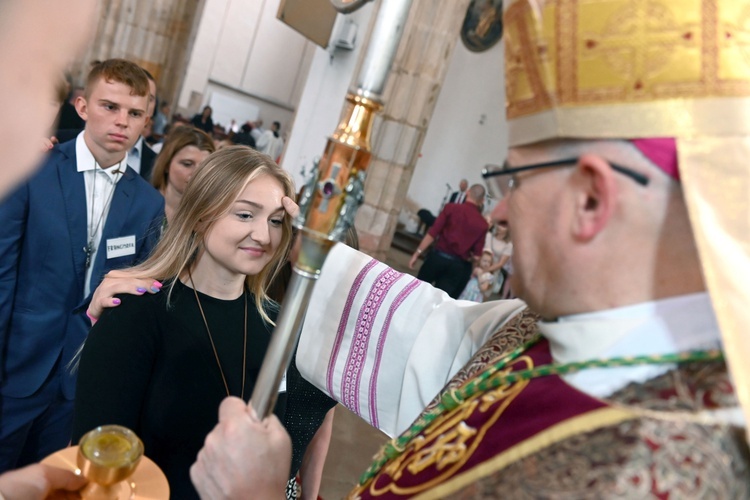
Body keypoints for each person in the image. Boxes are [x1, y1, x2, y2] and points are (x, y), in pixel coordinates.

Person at [191, 0, 750, 497]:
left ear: (589, 200)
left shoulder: (656, 473)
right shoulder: (549, 330)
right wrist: (296, 246)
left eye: (516, 181)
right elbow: (427, 333)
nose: (500, 212)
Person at [71, 146, 297, 499]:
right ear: (201, 215)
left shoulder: (276, 325)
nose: (264, 236)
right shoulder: (137, 315)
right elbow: (96, 468)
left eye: (275, 221)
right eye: (244, 215)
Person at [0, 58, 164, 472]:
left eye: (134, 113)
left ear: (146, 121)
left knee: (51, 483)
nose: (121, 121)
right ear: (82, 106)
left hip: (82, 379)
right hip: (16, 364)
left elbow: (138, 300)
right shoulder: (36, 169)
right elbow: (3, 273)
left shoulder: (148, 203)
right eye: (109, 106)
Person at [408, 183, 488, 298]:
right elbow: (476, 256)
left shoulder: (451, 208)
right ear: (483, 200)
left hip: (437, 258)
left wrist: (417, 253)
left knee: (419, 292)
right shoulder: (482, 224)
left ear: (467, 193)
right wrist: (472, 271)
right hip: (457, 266)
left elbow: (432, 233)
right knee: (441, 301)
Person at [151, 125, 216, 224]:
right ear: (166, 164)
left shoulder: (210, 217)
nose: (196, 174)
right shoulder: (141, 204)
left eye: (204, 167)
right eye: (187, 164)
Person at [127, 69, 158, 180]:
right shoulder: (71, 139)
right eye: (138, 94)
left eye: (150, 99)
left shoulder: (156, 163)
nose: (143, 104)